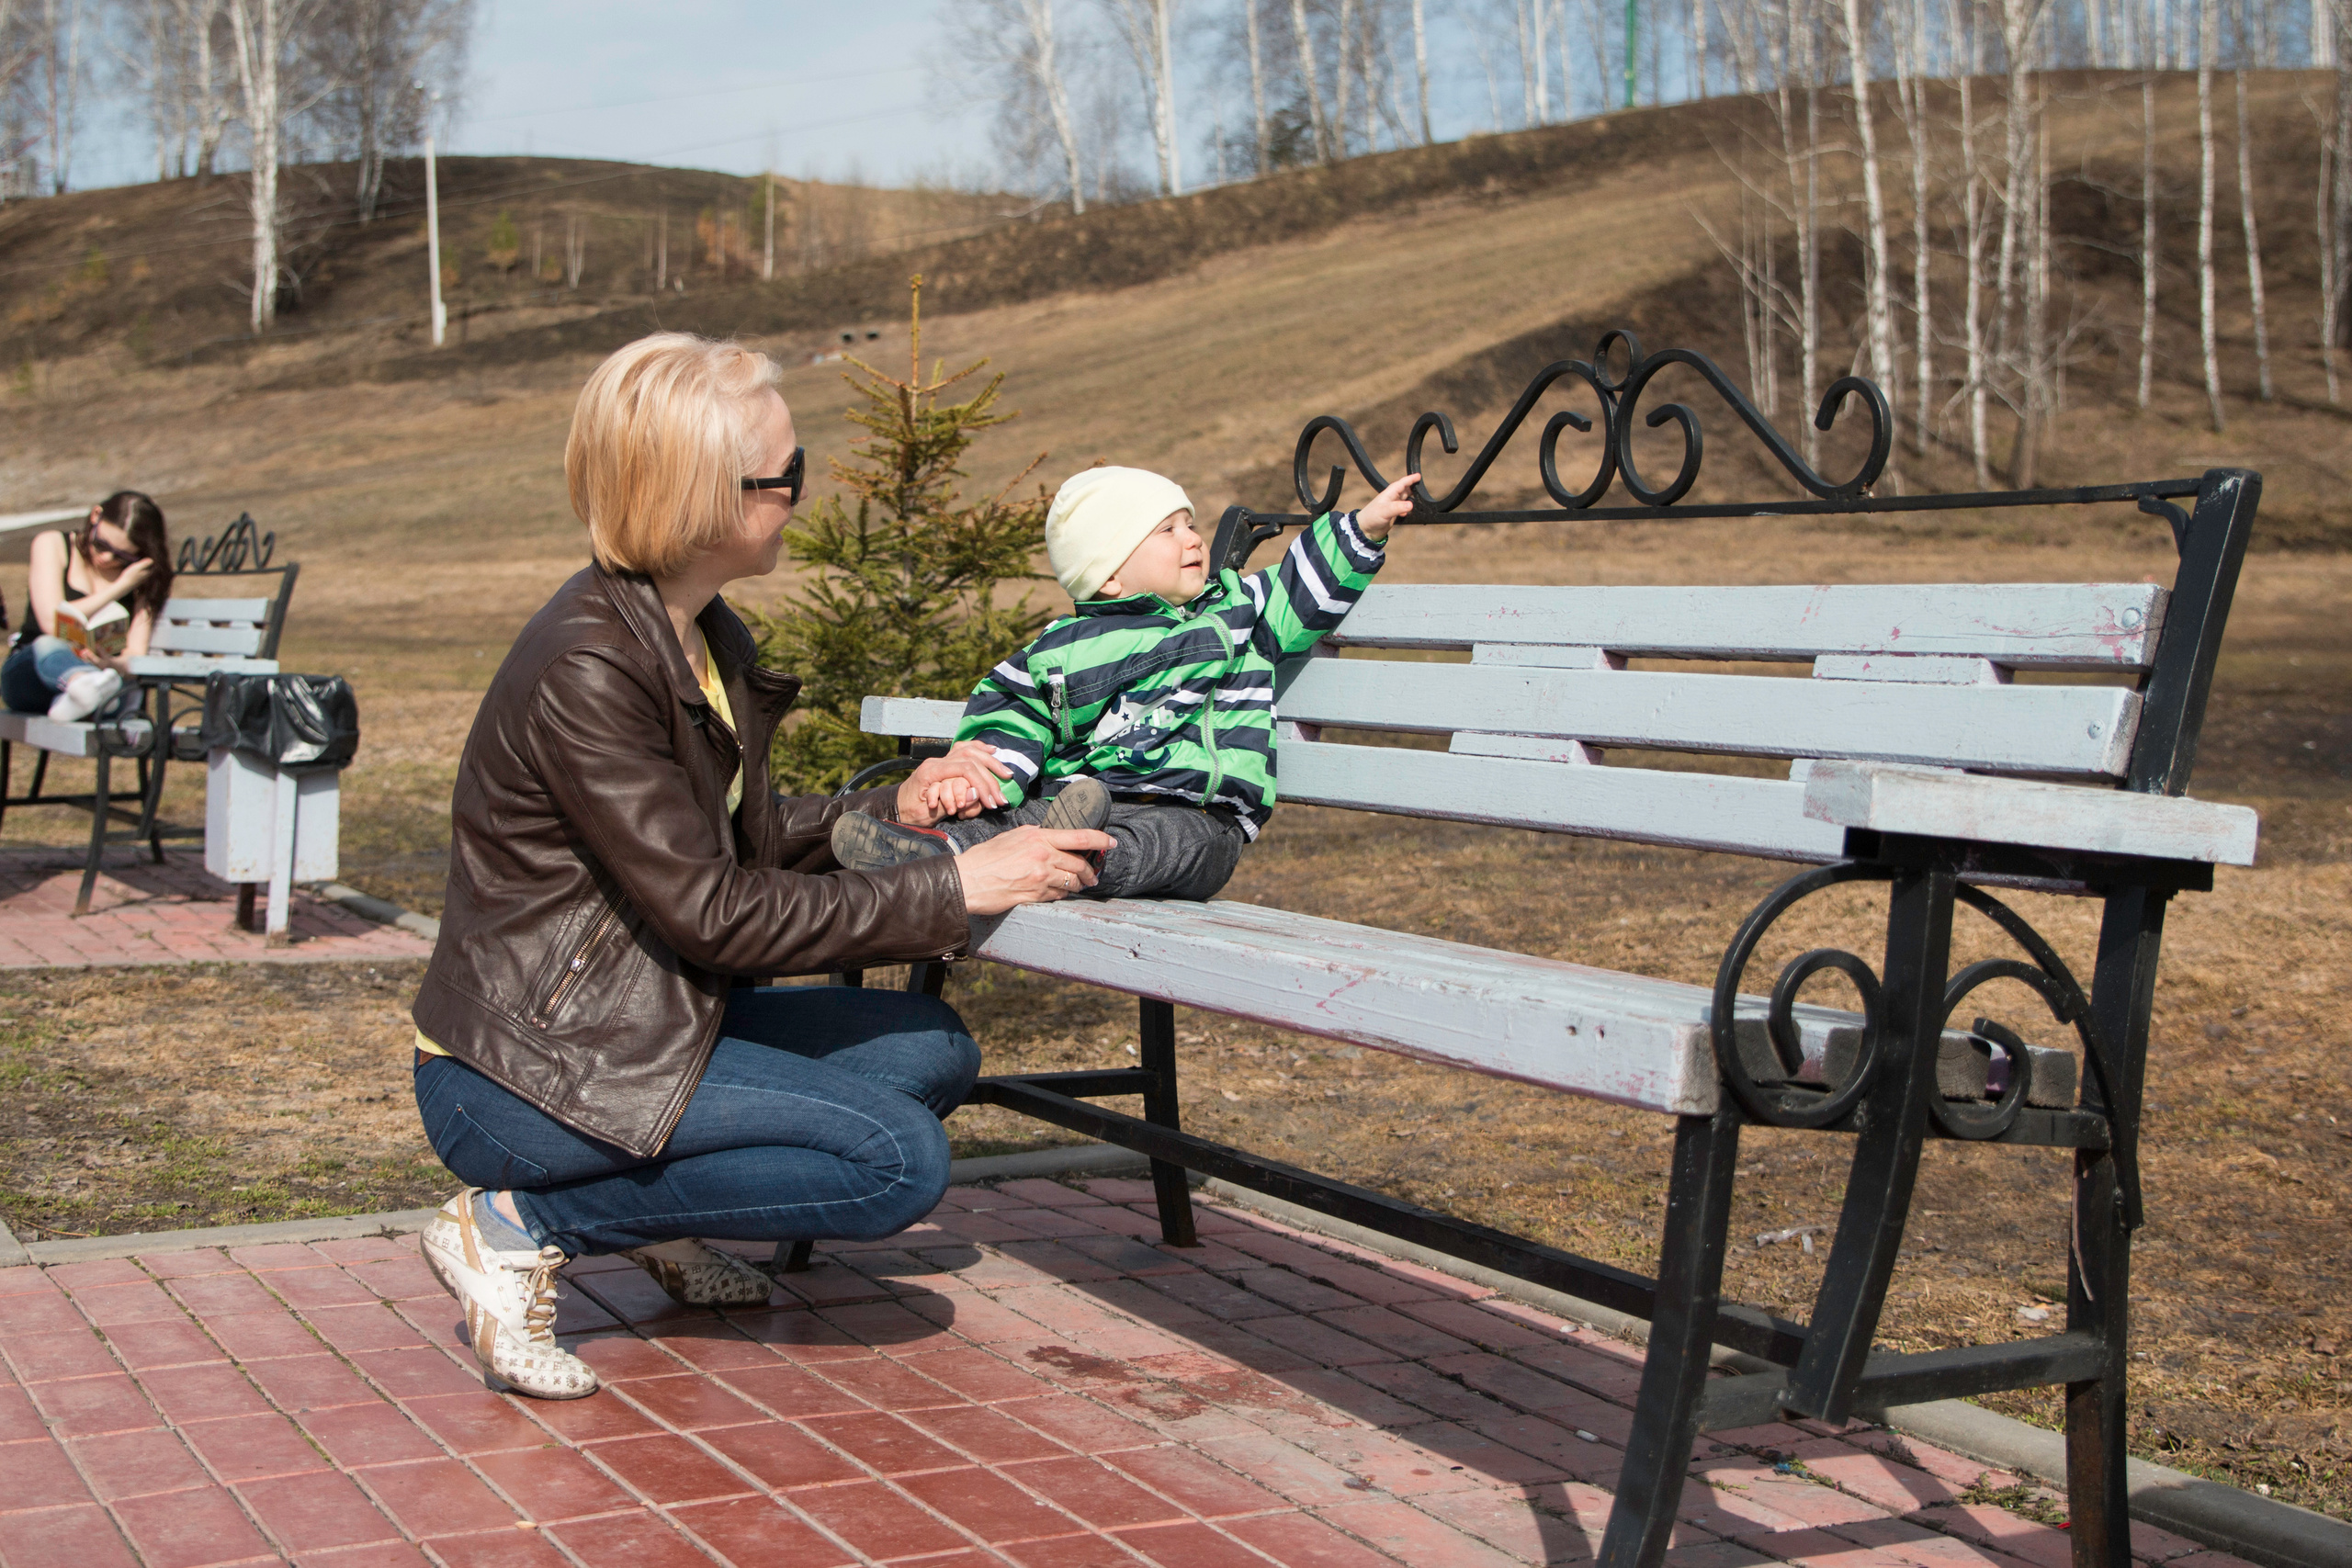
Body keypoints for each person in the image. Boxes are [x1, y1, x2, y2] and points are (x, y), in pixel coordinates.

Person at [409, 333, 1112, 1400]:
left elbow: (737, 836)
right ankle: (517, 1223)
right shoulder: (591, 665)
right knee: (896, 1161)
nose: (801, 495)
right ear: (704, 499)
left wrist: (895, 804)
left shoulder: (693, 630)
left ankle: (662, 1216)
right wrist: (953, 888)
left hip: (640, 1021)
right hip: (520, 1071)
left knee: (928, 1050)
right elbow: (715, 916)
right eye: (788, 476)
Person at [831, 464, 1420, 900]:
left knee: (1172, 847)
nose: (1193, 539)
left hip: (1198, 813)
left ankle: (1064, 865)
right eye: (1167, 531)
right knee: (1016, 823)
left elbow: (1300, 586)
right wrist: (980, 784)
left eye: (1190, 524)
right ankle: (932, 854)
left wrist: (1362, 528)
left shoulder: (1240, 613)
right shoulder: (1065, 648)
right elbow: (1015, 712)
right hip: (1085, 804)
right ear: (1110, 576)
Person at [3, 491, 173, 722]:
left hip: (103, 675)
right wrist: (120, 587)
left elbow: (135, 653)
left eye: (122, 555)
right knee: (47, 644)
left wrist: (111, 663)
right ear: (95, 516)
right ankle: (83, 685)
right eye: (101, 543)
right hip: (32, 674)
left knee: (112, 684)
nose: (106, 557)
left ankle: (75, 698)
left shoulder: (144, 578)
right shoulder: (52, 543)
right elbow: (53, 624)